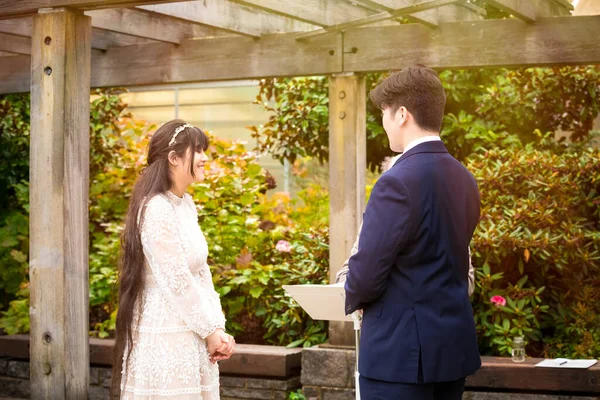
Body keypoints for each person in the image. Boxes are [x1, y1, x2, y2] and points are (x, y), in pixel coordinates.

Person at [344, 66, 481, 399]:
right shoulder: (465, 178)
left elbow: (368, 269)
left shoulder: (396, 181)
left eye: (385, 114)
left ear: (402, 114)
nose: (384, 123)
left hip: (400, 355)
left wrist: (354, 296)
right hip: (451, 350)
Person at [112, 119, 235, 399]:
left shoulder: (185, 204)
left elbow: (200, 273)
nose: (205, 158)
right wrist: (209, 332)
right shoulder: (155, 208)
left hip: (192, 330)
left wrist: (216, 328)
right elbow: (176, 280)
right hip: (166, 333)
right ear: (174, 158)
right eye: (199, 151)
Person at [335, 156, 475, 297]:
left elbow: (466, 283)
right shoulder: (371, 225)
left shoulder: (445, 223)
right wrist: (352, 291)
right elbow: (348, 272)